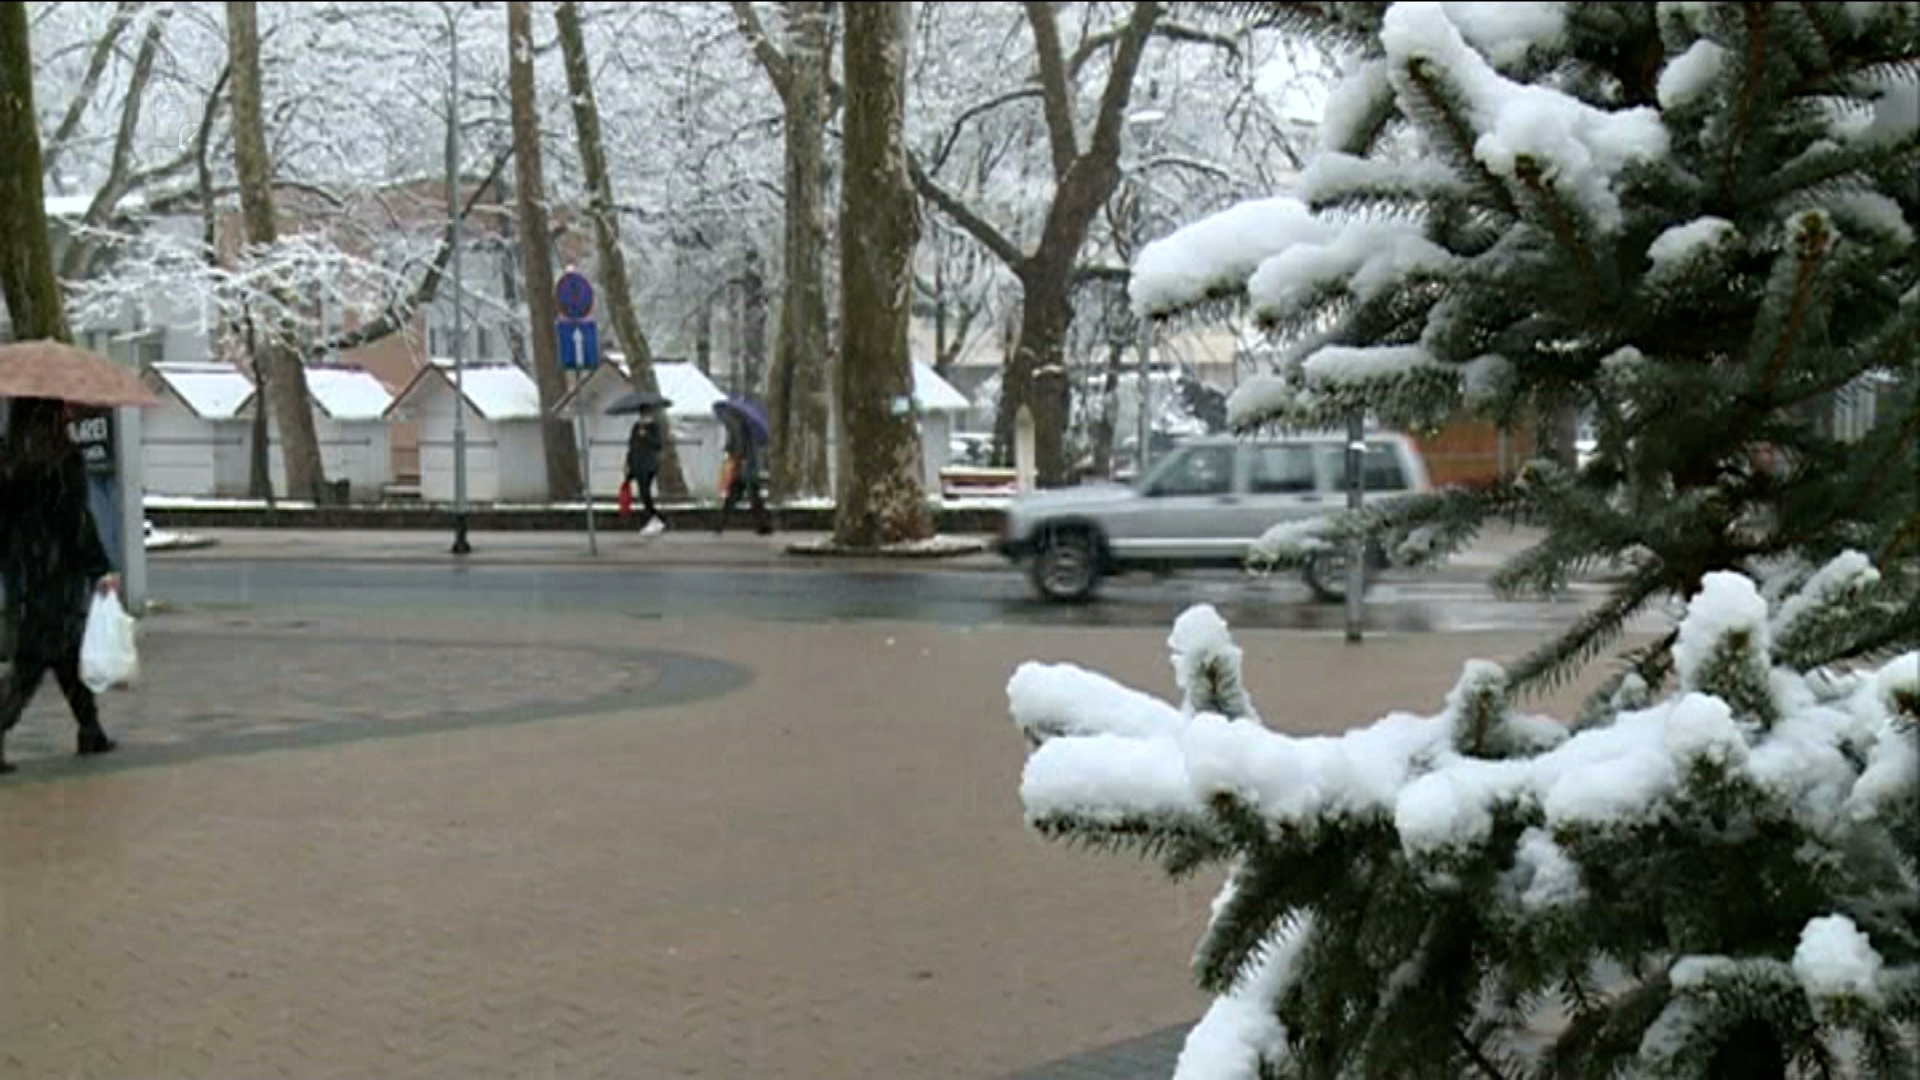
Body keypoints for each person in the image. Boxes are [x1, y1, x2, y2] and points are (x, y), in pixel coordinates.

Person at [0, 398, 120, 774]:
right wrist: (99, 567)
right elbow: (75, 523)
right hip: (57, 572)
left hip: (23, 571)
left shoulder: (7, 459)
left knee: (64, 655)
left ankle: (91, 729)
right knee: (34, 661)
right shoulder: (61, 459)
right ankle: (86, 729)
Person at [715, 408, 772, 536]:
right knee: (752, 498)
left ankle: (720, 524)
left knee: (737, 497)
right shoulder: (744, 428)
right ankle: (762, 526)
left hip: (743, 466)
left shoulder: (736, 427)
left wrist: (732, 453)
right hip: (747, 466)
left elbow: (737, 447)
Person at [625, 408, 666, 535]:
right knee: (643, 493)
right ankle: (654, 517)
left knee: (645, 491)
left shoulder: (654, 427)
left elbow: (658, 444)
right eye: (642, 415)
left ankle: (654, 517)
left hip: (649, 464)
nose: (643, 417)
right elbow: (632, 445)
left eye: (645, 415)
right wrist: (628, 463)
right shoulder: (636, 427)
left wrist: (646, 436)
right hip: (637, 463)